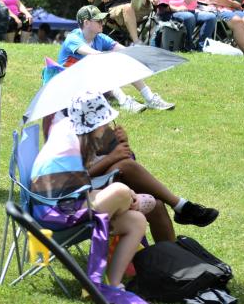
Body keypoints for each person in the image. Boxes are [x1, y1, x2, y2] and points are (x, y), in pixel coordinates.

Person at [31, 100, 148, 296]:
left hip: (63, 203)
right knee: (120, 190)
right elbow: (79, 190)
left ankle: (114, 284)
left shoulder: (69, 132)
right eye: (103, 123)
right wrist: (127, 197)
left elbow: (80, 186)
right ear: (93, 125)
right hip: (54, 215)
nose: (106, 128)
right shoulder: (72, 142)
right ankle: (132, 202)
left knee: (137, 220)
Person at [71, 92, 216, 243]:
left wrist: (123, 144)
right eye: (103, 121)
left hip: (117, 184)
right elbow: (74, 181)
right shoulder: (71, 145)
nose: (107, 124)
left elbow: (132, 165)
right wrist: (111, 158)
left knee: (157, 206)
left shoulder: (105, 134)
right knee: (123, 165)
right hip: (90, 196)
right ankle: (180, 205)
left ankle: (171, 255)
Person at [56, 5, 174, 112]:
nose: (103, 23)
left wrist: (142, 56)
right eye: (98, 20)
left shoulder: (99, 37)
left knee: (125, 61)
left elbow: (125, 51)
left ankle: (150, 98)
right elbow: (93, 54)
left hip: (92, 85)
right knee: (99, 64)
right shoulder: (73, 38)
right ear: (86, 23)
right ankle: (124, 101)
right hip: (70, 85)